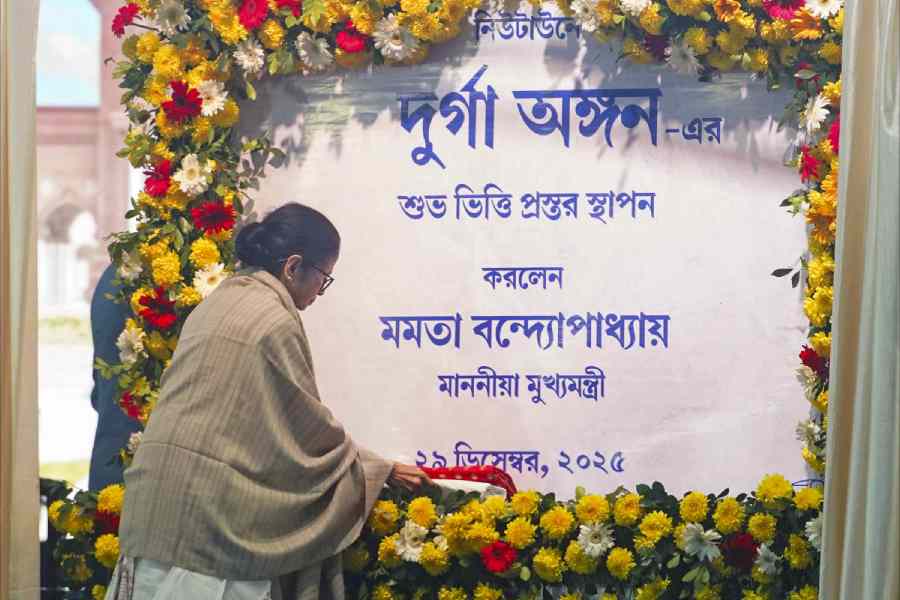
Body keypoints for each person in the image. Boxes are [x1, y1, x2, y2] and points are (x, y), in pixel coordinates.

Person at [107, 203, 430, 600]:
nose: (319, 292)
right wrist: (378, 470)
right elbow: (305, 432)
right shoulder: (272, 319)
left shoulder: (218, 301)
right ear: (293, 267)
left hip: (155, 513)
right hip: (207, 533)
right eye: (323, 278)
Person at [88, 263, 141, 491]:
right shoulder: (181, 271)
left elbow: (98, 391)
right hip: (145, 466)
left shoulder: (117, 271)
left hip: (110, 457)